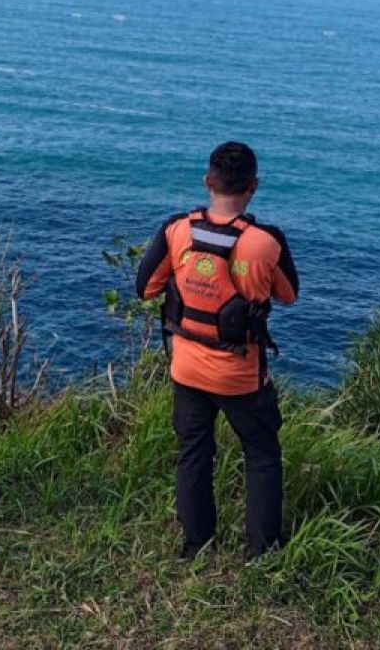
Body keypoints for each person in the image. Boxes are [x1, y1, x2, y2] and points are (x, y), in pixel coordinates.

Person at [136, 142, 299, 560]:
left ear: (208, 181)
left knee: (194, 452)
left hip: (187, 367)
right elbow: (289, 295)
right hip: (240, 375)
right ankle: (263, 549)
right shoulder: (267, 242)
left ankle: (196, 544)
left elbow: (145, 288)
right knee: (262, 456)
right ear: (254, 187)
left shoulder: (177, 230)